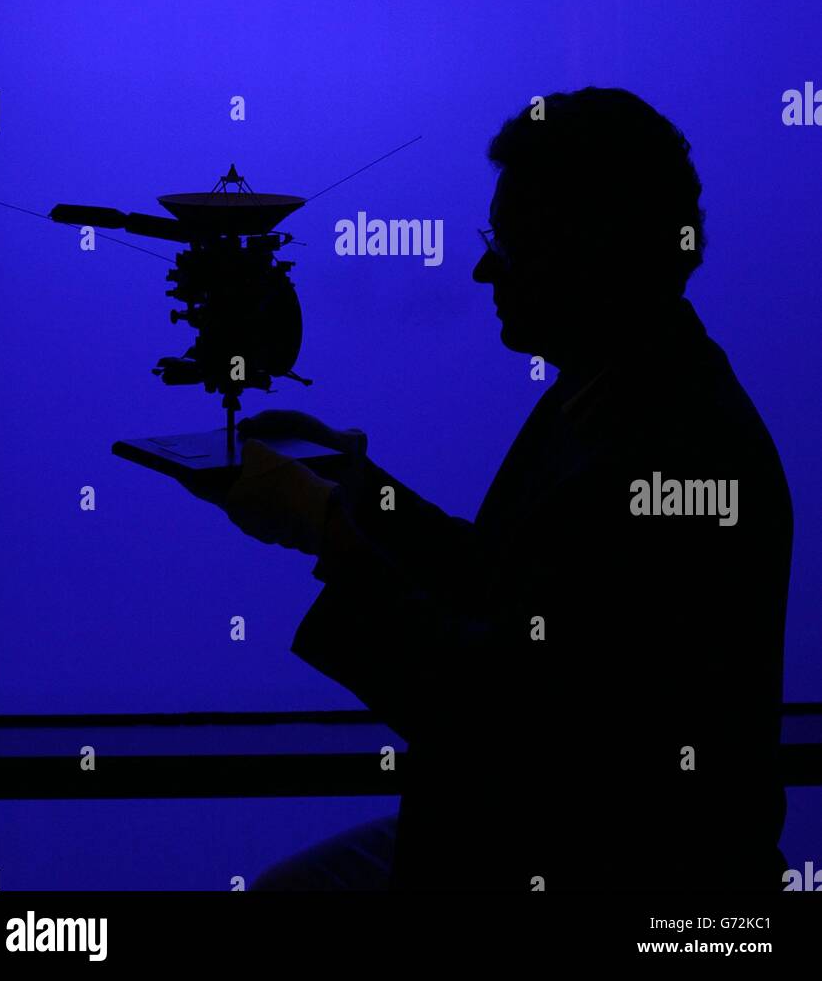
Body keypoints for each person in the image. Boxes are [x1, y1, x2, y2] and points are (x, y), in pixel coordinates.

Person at [184, 87, 793, 892]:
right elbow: (503, 575)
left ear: (588, 251)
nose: (480, 267)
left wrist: (330, 533)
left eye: (507, 243)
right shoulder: (617, 388)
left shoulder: (673, 447)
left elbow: (500, 709)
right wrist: (359, 488)